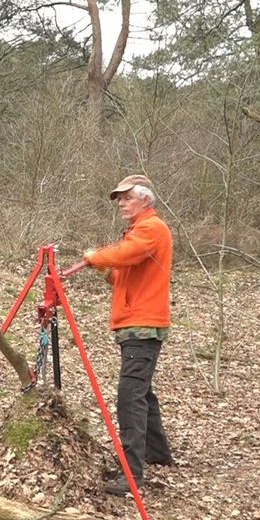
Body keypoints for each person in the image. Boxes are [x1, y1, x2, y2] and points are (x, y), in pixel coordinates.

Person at [80, 174, 175, 495]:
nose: (121, 203)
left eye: (126, 197)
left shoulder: (151, 229)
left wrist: (95, 256)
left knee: (129, 396)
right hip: (136, 324)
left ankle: (131, 476)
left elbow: (125, 253)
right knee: (142, 391)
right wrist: (105, 270)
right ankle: (158, 454)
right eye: (119, 198)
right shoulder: (141, 232)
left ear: (145, 200)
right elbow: (123, 274)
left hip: (142, 327)